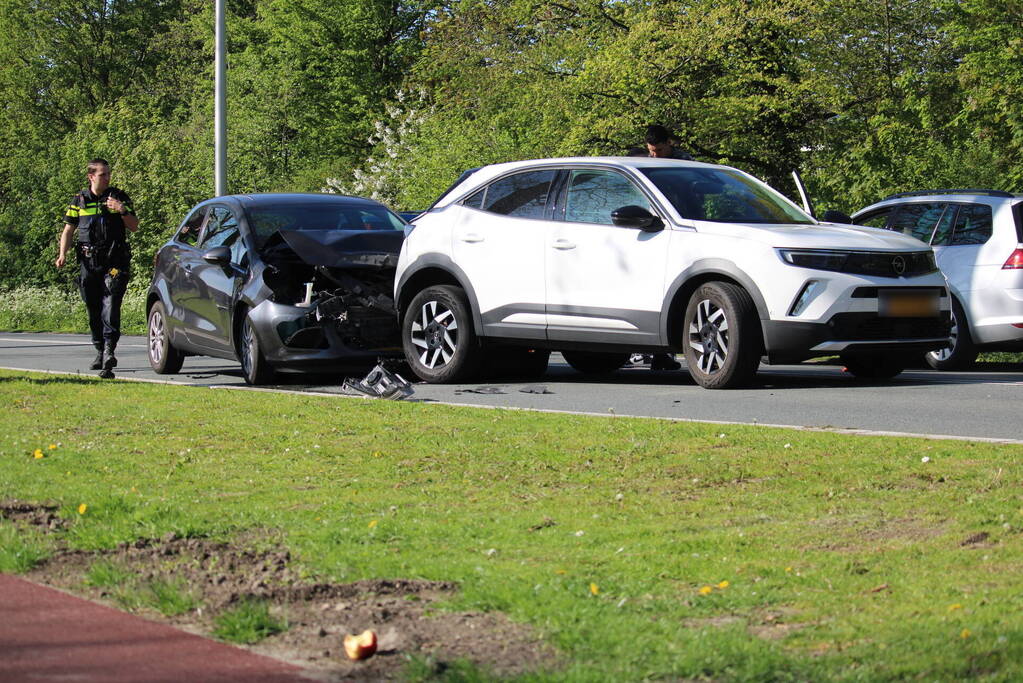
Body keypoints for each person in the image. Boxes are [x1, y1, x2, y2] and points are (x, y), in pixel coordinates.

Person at [55, 159, 138, 378]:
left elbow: (134, 226)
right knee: (93, 307)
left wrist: (121, 210)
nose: (107, 178)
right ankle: (100, 350)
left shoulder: (118, 197)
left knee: (111, 303)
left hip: (114, 262)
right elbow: (68, 230)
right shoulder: (79, 200)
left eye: (108, 174)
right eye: (103, 174)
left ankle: (110, 350)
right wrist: (62, 254)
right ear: (91, 176)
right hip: (88, 262)